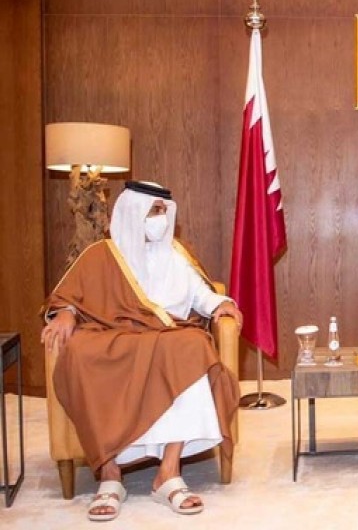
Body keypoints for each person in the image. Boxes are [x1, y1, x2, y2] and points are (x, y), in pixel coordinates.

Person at [41, 181, 242, 521]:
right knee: (80, 353)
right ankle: (109, 475)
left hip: (165, 337)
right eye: (154, 212)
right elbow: (70, 298)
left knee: (193, 346)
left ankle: (169, 471)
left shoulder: (177, 255)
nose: (160, 220)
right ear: (133, 213)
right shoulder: (101, 254)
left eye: (164, 212)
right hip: (113, 336)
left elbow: (201, 296)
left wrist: (222, 304)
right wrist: (66, 313)